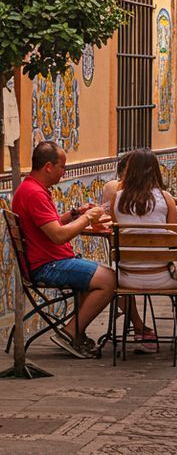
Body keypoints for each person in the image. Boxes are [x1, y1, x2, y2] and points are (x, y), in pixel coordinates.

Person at [12, 140, 115, 358]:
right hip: (47, 265)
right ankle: (69, 334)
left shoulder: (33, 188)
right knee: (109, 280)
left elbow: (49, 226)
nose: (63, 172)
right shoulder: (34, 193)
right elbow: (58, 236)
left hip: (50, 260)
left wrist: (74, 214)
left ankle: (133, 328)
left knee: (108, 276)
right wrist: (87, 218)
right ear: (48, 167)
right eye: (62, 167)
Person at [112, 148, 177, 344]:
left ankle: (139, 328)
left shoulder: (118, 199)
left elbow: (117, 228)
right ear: (155, 171)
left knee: (109, 272)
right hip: (162, 277)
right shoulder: (165, 198)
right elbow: (176, 234)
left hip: (126, 278)